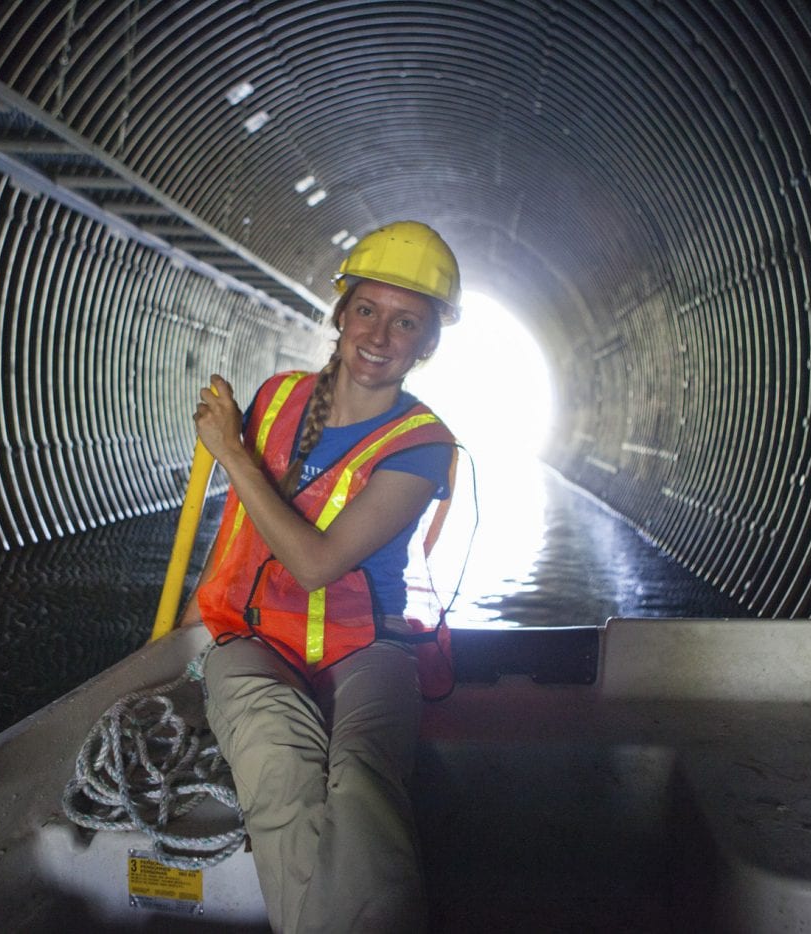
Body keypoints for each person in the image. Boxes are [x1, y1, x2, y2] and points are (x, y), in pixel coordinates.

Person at [179, 221, 461, 933]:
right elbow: (237, 538)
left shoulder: (422, 446)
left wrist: (228, 452)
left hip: (369, 649)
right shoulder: (275, 399)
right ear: (340, 315)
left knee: (363, 777)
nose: (380, 334)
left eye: (406, 323)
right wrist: (183, 636)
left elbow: (314, 566)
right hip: (255, 640)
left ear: (426, 345)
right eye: (367, 310)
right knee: (279, 762)